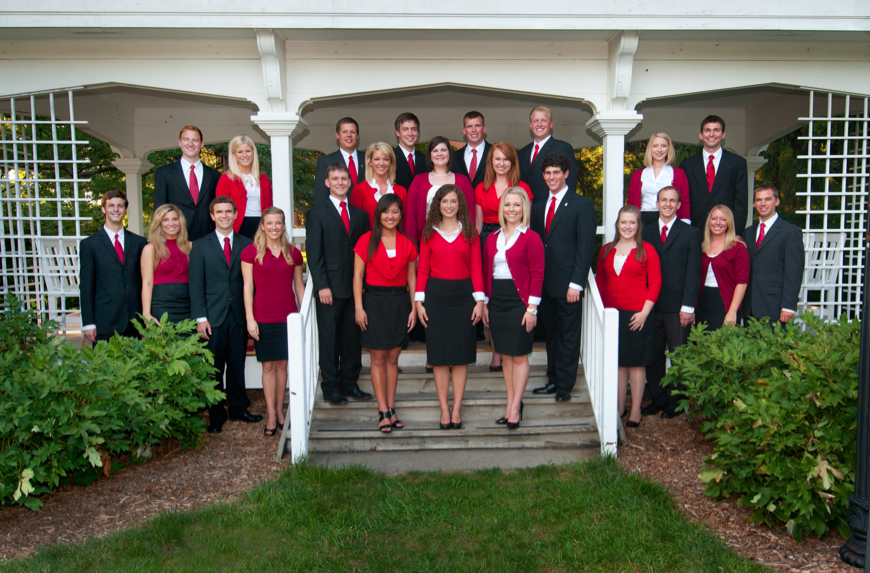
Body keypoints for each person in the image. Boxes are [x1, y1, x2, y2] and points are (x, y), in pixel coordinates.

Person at [189, 196, 261, 434]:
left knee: (237, 365)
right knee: (214, 368)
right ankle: (216, 414)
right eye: (219, 212)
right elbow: (196, 285)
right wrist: (200, 318)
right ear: (212, 215)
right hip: (212, 316)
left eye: (228, 211)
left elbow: (252, 282)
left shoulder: (246, 243)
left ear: (235, 214)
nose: (224, 215)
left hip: (239, 314)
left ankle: (239, 409)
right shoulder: (200, 245)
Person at [415, 185, 485, 430]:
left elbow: (477, 267)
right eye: (444, 201)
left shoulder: (470, 232)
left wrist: (479, 300)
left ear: (460, 204)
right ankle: (444, 409)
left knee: (461, 357)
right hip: (436, 296)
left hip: (464, 296)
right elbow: (422, 268)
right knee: (440, 357)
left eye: (453, 201)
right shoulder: (428, 233)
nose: (448, 205)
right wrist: (418, 302)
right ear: (437, 204)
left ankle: (457, 410)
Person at [530, 153, 596, 402]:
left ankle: (565, 386)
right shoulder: (537, 205)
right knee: (552, 336)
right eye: (547, 173)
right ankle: (553, 380)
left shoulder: (582, 205)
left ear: (566, 174)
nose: (551, 177)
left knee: (568, 337)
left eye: (556, 172)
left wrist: (576, 283)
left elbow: (585, 247)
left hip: (568, 285)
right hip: (544, 285)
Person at [306, 163, 373, 405]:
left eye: (344, 178)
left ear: (349, 181)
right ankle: (331, 386)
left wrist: (365, 283)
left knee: (353, 339)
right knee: (330, 340)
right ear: (327, 183)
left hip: (355, 289)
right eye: (335, 178)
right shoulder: (316, 213)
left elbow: (366, 252)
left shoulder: (360, 215)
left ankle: (350, 383)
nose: (340, 182)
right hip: (329, 290)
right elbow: (314, 255)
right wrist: (321, 285)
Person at [353, 195, 418, 433]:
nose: (390, 217)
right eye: (385, 212)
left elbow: (412, 278)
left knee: (393, 359)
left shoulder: (408, 242)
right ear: (378, 214)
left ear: (401, 214)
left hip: (399, 303)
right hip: (374, 302)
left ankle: (391, 408)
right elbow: (357, 277)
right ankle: (382, 411)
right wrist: (359, 307)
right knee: (378, 359)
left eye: (395, 212)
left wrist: (413, 307)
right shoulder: (366, 240)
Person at [482, 187, 544, 430]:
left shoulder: (531, 238)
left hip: (520, 303)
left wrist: (532, 309)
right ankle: (510, 404)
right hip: (496, 302)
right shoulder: (491, 237)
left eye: (517, 205)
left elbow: (537, 275)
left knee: (519, 356)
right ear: (501, 208)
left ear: (524, 209)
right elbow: (487, 272)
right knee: (505, 356)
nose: (511, 210)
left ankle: (516, 407)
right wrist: (485, 303)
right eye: (507, 205)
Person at [596, 205, 661, 428]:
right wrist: (603, 312)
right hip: (613, 315)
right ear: (617, 224)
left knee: (636, 363)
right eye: (623, 222)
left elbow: (655, 283)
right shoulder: (606, 250)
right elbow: (601, 283)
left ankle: (635, 410)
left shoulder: (646, 250)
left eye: (632, 223)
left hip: (637, 315)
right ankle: (619, 406)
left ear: (638, 226)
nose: (627, 226)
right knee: (619, 363)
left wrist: (644, 312)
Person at [241, 207, 305, 437]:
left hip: (287, 316)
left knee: (283, 366)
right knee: (268, 366)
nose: (274, 227)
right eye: (269, 223)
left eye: (278, 223)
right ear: (262, 225)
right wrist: (250, 319)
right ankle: (270, 413)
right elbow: (247, 287)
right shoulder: (251, 252)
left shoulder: (293, 253)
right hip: (263, 317)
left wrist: (304, 317)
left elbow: (299, 287)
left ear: (283, 225)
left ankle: (280, 410)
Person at [640, 187, 701, 419]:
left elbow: (693, 272)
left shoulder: (690, 233)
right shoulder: (644, 232)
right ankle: (658, 397)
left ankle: (677, 400)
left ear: (678, 205)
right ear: (656, 203)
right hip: (651, 305)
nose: (667, 204)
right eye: (663, 200)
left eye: (672, 200)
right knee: (653, 354)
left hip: (677, 307)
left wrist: (688, 307)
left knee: (679, 354)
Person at [474, 141, 533, 371]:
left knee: (511, 296)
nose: (501, 163)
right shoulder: (481, 187)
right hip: (488, 241)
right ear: (491, 162)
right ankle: (496, 351)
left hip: (515, 238)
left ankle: (509, 350)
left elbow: (526, 221)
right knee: (491, 295)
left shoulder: (523, 188)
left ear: (512, 162)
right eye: (496, 159)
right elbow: (478, 225)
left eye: (505, 159)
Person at [80, 190, 147, 343]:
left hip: (134, 322)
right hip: (104, 321)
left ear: (125, 210)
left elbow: (145, 282)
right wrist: (88, 323)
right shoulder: (90, 245)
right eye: (111, 206)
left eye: (120, 206)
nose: (115, 210)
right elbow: (86, 287)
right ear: (103, 209)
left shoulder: (139, 243)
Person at [742, 184, 805, 325]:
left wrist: (789, 305)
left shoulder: (791, 232)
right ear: (754, 203)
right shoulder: (748, 232)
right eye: (758, 200)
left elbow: (794, 272)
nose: (762, 203)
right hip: (749, 308)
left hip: (775, 308)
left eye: (768, 199)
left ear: (777, 201)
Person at [681, 115, 749, 236]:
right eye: (707, 130)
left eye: (716, 130)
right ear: (701, 135)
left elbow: (741, 203)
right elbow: (683, 201)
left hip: (726, 232)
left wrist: (736, 233)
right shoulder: (687, 165)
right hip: (695, 232)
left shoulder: (737, 163)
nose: (711, 134)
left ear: (723, 134)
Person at [406, 135, 475, 247]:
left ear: (449, 153)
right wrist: (414, 248)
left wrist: (469, 243)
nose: (439, 154)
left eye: (443, 150)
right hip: (426, 242)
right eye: (435, 150)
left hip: (458, 243)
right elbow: (411, 218)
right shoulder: (418, 181)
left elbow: (470, 215)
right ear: (430, 155)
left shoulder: (463, 181)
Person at [154, 125, 220, 241]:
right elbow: (160, 210)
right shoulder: (164, 173)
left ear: (202, 144)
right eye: (186, 139)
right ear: (180, 142)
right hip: (176, 238)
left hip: (208, 239)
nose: (190, 144)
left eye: (195, 140)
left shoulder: (214, 175)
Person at [696, 205, 750, 330]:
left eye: (723, 219)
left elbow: (742, 283)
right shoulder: (701, 247)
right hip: (702, 305)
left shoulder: (738, 248)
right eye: (714, 218)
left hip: (725, 306)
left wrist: (732, 311)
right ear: (709, 221)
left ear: (729, 223)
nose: (717, 223)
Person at [627, 132, 691, 227]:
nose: (659, 150)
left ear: (668, 148)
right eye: (655, 146)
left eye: (663, 146)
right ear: (650, 149)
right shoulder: (638, 175)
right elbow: (631, 203)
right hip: (643, 221)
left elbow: (685, 201)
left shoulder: (679, 174)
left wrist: (685, 224)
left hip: (669, 220)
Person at [141, 204, 192, 324]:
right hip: (161, 306)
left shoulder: (191, 247)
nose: (171, 223)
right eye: (165, 220)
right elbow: (147, 283)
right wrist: (146, 314)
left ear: (181, 222)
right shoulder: (150, 249)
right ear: (159, 223)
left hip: (188, 306)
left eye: (175, 219)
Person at [215, 135, 273, 239]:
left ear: (253, 152)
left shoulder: (264, 180)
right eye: (240, 152)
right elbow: (220, 208)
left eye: (248, 151)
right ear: (234, 154)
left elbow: (269, 209)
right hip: (238, 229)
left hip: (261, 228)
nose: (244, 155)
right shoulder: (226, 179)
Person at [518, 106, 578, 206]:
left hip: (552, 210)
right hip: (526, 210)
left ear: (551, 124)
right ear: (530, 125)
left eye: (543, 120)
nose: (539, 124)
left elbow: (570, 182)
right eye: (535, 121)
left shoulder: (563, 148)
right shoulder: (523, 152)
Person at [349, 142, 408, 227]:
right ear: (370, 162)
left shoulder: (401, 191)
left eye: (386, 159)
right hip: (369, 240)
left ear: (391, 163)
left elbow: (404, 224)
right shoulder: (359, 190)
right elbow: (355, 226)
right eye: (377, 159)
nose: (381, 163)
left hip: (395, 239)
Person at [314, 117, 365, 206]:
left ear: (357, 135)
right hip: (338, 216)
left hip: (365, 217)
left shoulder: (368, 160)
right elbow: (321, 197)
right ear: (337, 135)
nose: (349, 135)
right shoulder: (325, 162)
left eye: (352, 132)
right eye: (344, 132)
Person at [452, 111, 490, 190]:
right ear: (464, 130)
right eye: (469, 126)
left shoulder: (494, 153)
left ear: (484, 128)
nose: (473, 130)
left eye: (477, 126)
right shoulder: (455, 157)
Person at [393, 112, 429, 190]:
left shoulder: (425, 160)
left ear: (418, 133)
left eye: (414, 129)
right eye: (405, 129)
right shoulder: (390, 158)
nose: (410, 133)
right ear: (397, 133)